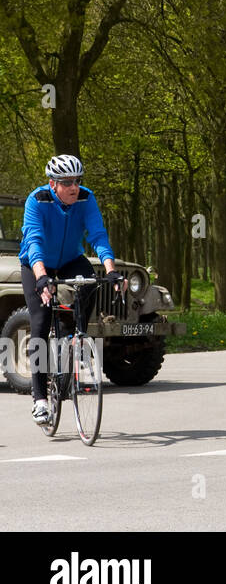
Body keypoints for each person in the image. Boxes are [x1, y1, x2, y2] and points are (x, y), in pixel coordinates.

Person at [19, 155, 120, 424]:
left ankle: (75, 339)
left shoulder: (86, 198)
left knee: (90, 284)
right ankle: (40, 399)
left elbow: (97, 235)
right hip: (36, 263)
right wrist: (41, 277)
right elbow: (34, 240)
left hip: (69, 260)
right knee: (39, 324)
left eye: (77, 181)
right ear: (53, 184)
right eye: (67, 183)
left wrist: (110, 269)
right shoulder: (37, 200)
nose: (74, 187)